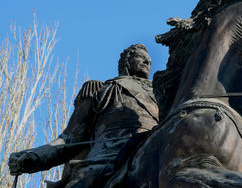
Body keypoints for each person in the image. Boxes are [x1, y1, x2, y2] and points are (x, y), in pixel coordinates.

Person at [8, 44, 159, 188]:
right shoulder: (101, 90)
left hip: (151, 148)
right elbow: (70, 139)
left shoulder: (161, 91)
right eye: (141, 57)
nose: (147, 61)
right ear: (127, 60)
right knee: (83, 181)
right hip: (109, 155)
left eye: (150, 61)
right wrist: (34, 156)